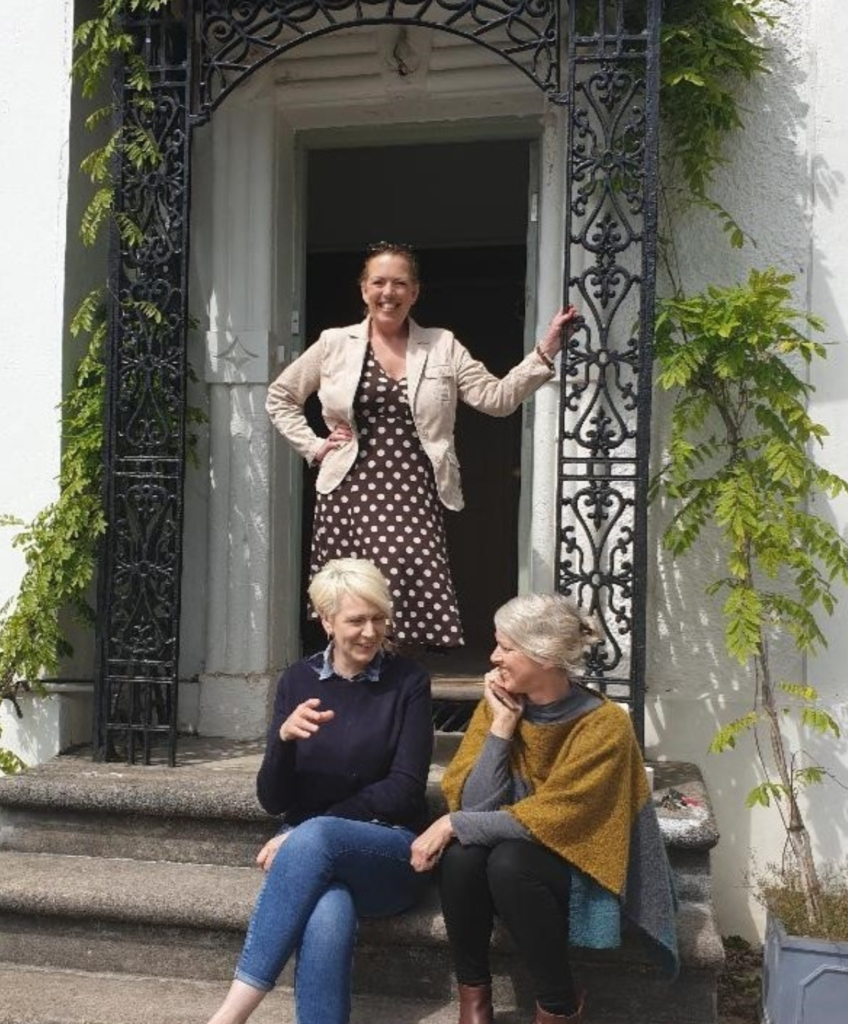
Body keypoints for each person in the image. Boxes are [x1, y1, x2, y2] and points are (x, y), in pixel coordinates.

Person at [266, 241, 582, 649]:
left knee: (402, 588)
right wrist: (313, 445)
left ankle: (396, 685)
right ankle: (359, 685)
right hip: (349, 488)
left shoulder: (441, 345)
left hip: (413, 489)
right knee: (358, 597)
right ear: (364, 289)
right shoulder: (334, 343)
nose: (388, 293)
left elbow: (497, 399)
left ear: (414, 293)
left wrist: (546, 349)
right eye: (378, 282)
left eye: (400, 284)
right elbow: (281, 396)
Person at [410, 594, 679, 1024]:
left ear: (545, 655)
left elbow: (561, 816)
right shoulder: (497, 704)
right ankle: (474, 1002)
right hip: (515, 857)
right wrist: (500, 728)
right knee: (463, 857)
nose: (494, 656)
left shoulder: (604, 724)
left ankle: (558, 1006)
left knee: (508, 861)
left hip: (581, 861)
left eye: (506, 647)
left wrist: (451, 822)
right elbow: (475, 805)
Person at [204, 558, 433, 1024]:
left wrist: (305, 832)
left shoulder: (408, 682)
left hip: (388, 852)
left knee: (318, 836)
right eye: (356, 620)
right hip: (310, 854)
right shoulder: (298, 681)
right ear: (327, 621)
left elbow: (406, 790)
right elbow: (272, 799)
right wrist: (283, 743)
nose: (371, 632)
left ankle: (229, 1016)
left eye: (378, 618)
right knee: (329, 907)